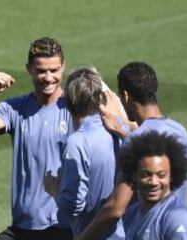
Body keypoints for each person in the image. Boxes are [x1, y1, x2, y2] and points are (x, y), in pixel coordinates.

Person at [0, 37, 74, 240]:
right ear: (29, 69)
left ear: (63, 67)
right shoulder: (15, 108)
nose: (48, 77)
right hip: (22, 227)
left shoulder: (75, 109)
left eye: (54, 70)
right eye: (41, 70)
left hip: (62, 227)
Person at [77, 61, 187, 239]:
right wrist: (123, 133)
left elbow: (116, 207)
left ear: (126, 96)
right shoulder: (180, 131)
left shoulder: (137, 140)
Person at [44, 67, 125, 239]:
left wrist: (54, 188)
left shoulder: (77, 143)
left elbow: (74, 205)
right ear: (98, 99)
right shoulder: (118, 127)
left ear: (66, 101)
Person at [120, 131, 187, 240]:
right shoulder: (131, 214)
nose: (153, 182)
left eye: (161, 175)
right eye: (146, 174)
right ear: (134, 174)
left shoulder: (177, 219)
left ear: (171, 176)